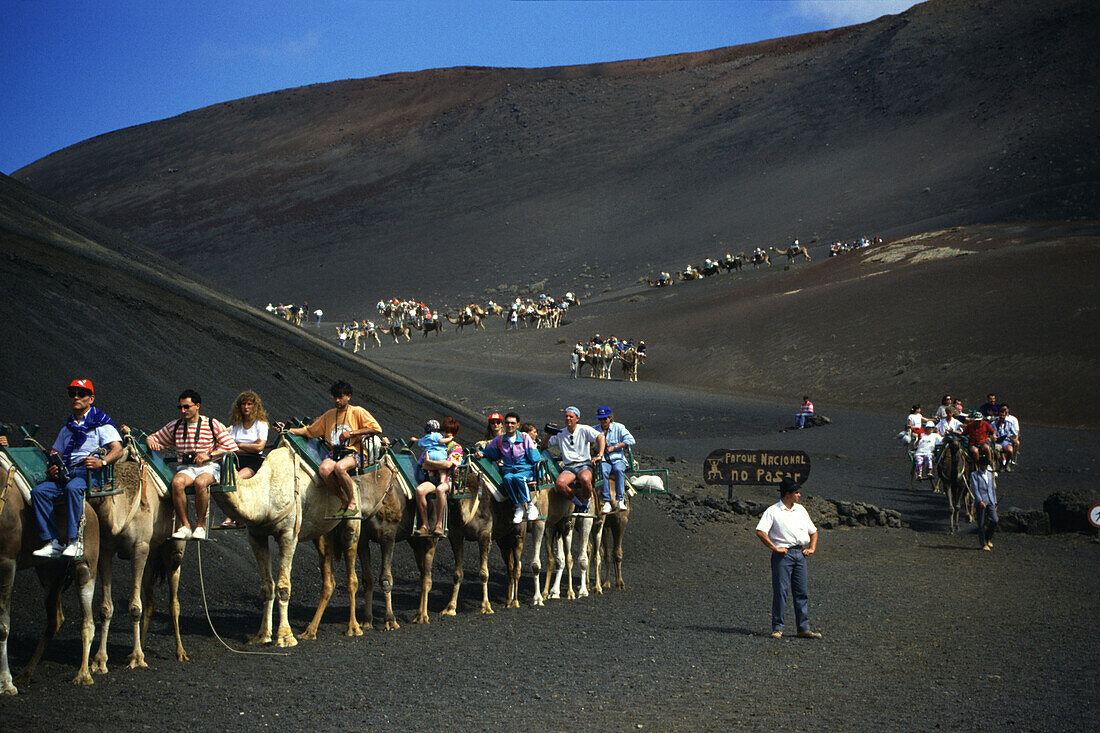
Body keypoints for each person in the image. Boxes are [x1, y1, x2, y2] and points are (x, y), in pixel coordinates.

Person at [31, 379, 124, 558]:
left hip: (90, 473)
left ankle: (75, 541)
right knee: (39, 492)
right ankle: (52, 542)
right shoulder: (67, 429)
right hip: (66, 472)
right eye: (72, 394)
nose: (76, 397)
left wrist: (102, 462)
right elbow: (54, 452)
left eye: (81, 394)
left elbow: (117, 450)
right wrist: (52, 467)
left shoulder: (101, 424)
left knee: (72, 488)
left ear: (91, 399)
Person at [147, 389, 238, 540]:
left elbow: (231, 446)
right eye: (181, 407)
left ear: (197, 406)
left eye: (187, 407)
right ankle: (185, 526)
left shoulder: (211, 423)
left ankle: (200, 526)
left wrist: (209, 455)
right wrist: (150, 441)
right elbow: (153, 438)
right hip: (187, 467)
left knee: (200, 482)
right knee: (177, 483)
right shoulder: (175, 426)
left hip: (210, 467)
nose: (183, 411)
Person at [285, 381, 384, 518]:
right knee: (324, 470)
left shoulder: (357, 411)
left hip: (355, 451)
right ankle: (343, 501)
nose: (337, 400)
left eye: (340, 397)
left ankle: (353, 502)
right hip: (335, 452)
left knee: (340, 468)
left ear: (348, 396)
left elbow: (376, 428)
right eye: (335, 397)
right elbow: (309, 431)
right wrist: (288, 430)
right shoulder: (329, 415)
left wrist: (352, 433)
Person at [755, 478, 822, 639]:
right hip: (783, 555)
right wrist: (774, 547)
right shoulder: (773, 511)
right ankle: (778, 627)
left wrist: (811, 548)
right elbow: (760, 531)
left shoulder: (800, 510)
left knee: (801, 591)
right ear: (788, 493)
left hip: (799, 554)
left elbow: (813, 531)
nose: (799, 495)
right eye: (796, 492)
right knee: (781, 591)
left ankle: (803, 627)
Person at [218, 391, 270, 529]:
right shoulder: (237, 424)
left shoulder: (261, 424)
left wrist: (239, 445)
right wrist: (246, 447)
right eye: (243, 404)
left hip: (253, 460)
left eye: (249, 404)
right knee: (225, 482)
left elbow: (259, 446)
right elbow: (230, 446)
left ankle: (232, 517)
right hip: (236, 458)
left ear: (255, 406)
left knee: (237, 480)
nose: (246, 407)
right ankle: (235, 516)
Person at [480, 412, 541, 524]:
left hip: (524, 470)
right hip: (509, 470)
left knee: (518, 478)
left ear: (518, 425)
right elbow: (489, 451)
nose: (510, 425)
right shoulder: (500, 440)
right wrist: (481, 453)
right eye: (507, 423)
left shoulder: (525, 437)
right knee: (507, 479)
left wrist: (538, 474)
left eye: (513, 423)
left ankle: (530, 505)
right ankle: (518, 507)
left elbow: (535, 456)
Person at [546, 406, 605, 515]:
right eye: (566, 416)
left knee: (585, 479)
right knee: (560, 484)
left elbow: (600, 437)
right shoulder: (560, 433)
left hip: (584, 465)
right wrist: (548, 434)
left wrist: (600, 455)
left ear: (577, 418)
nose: (568, 418)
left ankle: (586, 503)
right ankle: (578, 504)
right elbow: (544, 446)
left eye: (571, 416)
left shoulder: (584, 429)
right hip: (569, 467)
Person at [414, 417, 463, 537]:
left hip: (451, 480)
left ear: (453, 435)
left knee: (440, 490)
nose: (444, 434)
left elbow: (449, 464)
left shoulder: (456, 448)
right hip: (432, 479)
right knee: (419, 490)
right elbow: (424, 465)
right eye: (443, 431)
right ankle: (425, 525)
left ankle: (439, 525)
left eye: (448, 433)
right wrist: (433, 465)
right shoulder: (433, 444)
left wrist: (431, 463)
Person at [593, 406, 635, 513]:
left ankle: (620, 500)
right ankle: (606, 501)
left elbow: (631, 440)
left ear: (610, 418)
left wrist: (615, 447)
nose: (603, 422)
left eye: (605, 419)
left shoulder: (619, 427)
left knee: (619, 470)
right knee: (603, 471)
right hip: (603, 460)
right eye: (600, 419)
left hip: (617, 458)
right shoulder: (595, 429)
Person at [413, 419, 452, 495]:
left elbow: (420, 441)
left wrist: (414, 439)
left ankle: (431, 479)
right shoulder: (437, 435)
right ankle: (441, 481)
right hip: (440, 455)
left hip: (430, 455)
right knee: (442, 470)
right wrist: (450, 438)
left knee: (431, 470)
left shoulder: (426, 437)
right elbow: (441, 441)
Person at [970, 458, 998, 551]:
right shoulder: (974, 475)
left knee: (995, 520)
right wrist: (979, 500)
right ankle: (983, 543)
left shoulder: (990, 474)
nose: (984, 467)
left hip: (990, 500)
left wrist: (995, 501)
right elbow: (975, 489)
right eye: (982, 465)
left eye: (985, 465)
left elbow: (992, 489)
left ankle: (988, 537)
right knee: (981, 523)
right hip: (981, 501)